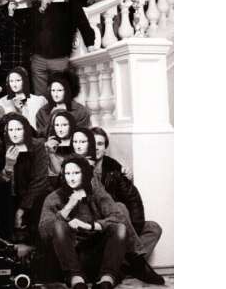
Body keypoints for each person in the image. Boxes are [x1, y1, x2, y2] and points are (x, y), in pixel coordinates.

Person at [39, 155, 127, 289]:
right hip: (68, 256)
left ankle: (106, 279)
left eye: (76, 173)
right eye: (67, 173)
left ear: (85, 174)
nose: (71, 178)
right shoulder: (53, 197)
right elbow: (44, 231)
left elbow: (118, 217)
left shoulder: (96, 193)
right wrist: (68, 206)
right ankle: (76, 280)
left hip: (95, 254)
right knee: (58, 225)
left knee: (120, 228)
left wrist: (88, 226)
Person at [92, 128, 163, 264]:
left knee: (154, 228)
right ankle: (135, 258)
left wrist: (133, 230)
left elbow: (133, 200)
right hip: (102, 222)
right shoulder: (79, 168)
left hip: (122, 222)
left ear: (105, 148)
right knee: (119, 206)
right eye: (92, 143)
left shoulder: (115, 168)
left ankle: (125, 263)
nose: (95, 147)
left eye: (100, 144)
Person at [30, 0, 95, 96]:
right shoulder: (41, 4)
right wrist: (42, 7)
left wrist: (90, 45)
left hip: (59, 59)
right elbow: (32, 28)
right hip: (38, 59)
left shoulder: (72, 5)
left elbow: (85, 26)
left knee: (59, 95)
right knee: (40, 98)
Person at [0, 113, 48, 243]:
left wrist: (22, 209)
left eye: (18, 129)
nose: (15, 134)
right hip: (9, 197)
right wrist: (8, 166)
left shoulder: (38, 146)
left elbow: (40, 181)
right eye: (10, 130)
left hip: (32, 195)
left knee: (41, 199)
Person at [0, 0, 33, 80]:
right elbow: (1, 35)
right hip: (7, 56)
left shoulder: (29, 10)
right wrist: (10, 14)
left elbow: (31, 35)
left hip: (24, 57)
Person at [35, 70, 92, 138]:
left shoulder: (81, 111)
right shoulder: (42, 112)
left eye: (59, 90)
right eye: (53, 90)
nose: (55, 94)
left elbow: (83, 135)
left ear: (68, 90)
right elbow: (41, 136)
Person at [0, 67, 47, 131]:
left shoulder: (39, 100)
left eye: (18, 80)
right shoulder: (2, 102)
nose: (14, 84)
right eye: (11, 81)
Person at [44, 110, 76, 190]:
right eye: (57, 125)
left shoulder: (77, 142)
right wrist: (49, 152)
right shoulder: (49, 145)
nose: (60, 129)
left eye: (64, 125)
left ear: (71, 125)